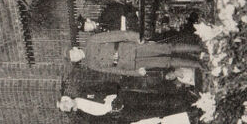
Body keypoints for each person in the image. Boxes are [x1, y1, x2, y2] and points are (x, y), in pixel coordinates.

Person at [68, 32, 201, 79]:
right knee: (166, 62)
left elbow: (117, 35)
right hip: (132, 65)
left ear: (75, 48)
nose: (75, 57)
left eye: (72, 54)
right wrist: (136, 73)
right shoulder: (91, 65)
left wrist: (136, 37)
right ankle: (198, 64)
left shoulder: (92, 41)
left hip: (134, 48)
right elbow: (114, 70)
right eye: (73, 59)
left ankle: (200, 49)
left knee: (168, 48)